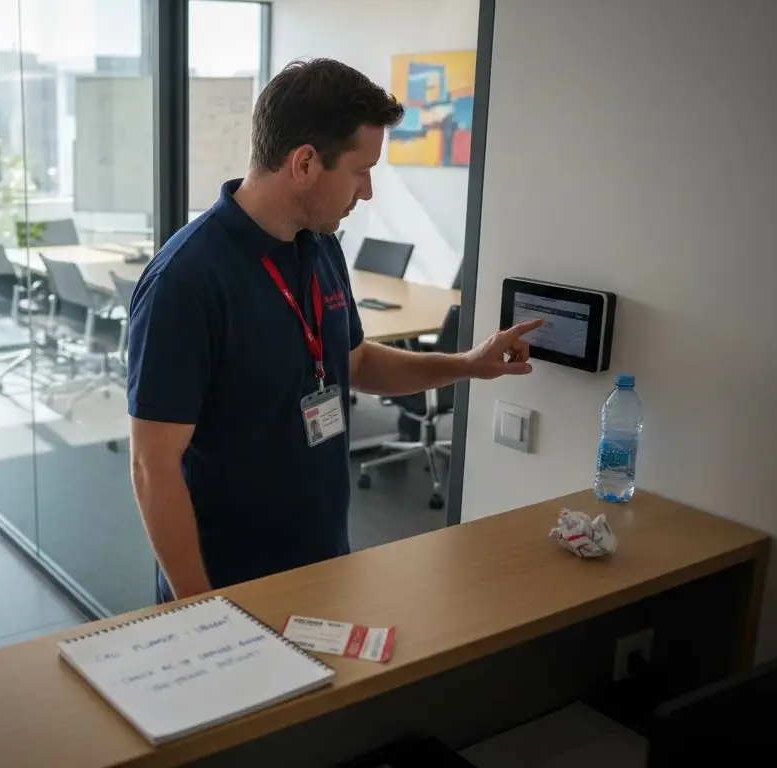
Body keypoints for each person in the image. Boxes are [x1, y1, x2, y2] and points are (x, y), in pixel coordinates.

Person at [126, 58, 541, 604]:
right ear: (304, 163)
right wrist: (196, 608)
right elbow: (152, 466)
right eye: (360, 170)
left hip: (322, 558)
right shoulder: (186, 281)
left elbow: (357, 362)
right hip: (227, 580)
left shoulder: (320, 246)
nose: (367, 192)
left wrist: (466, 365)